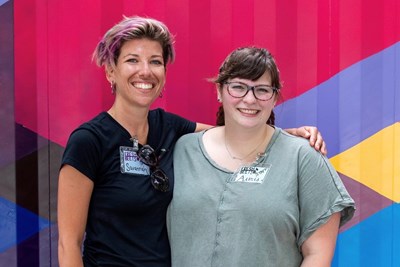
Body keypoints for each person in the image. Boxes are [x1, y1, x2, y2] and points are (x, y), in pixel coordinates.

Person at [57, 16, 327, 267]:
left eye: (155, 61)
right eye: (132, 60)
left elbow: (236, 132)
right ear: (110, 72)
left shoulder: (169, 127)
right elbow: (68, 243)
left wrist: (289, 136)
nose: (145, 71)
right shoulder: (88, 141)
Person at [168, 47, 355, 267]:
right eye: (238, 87)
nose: (250, 99)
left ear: (275, 97)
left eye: (262, 90)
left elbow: (317, 255)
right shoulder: (183, 150)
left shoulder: (303, 158)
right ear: (219, 90)